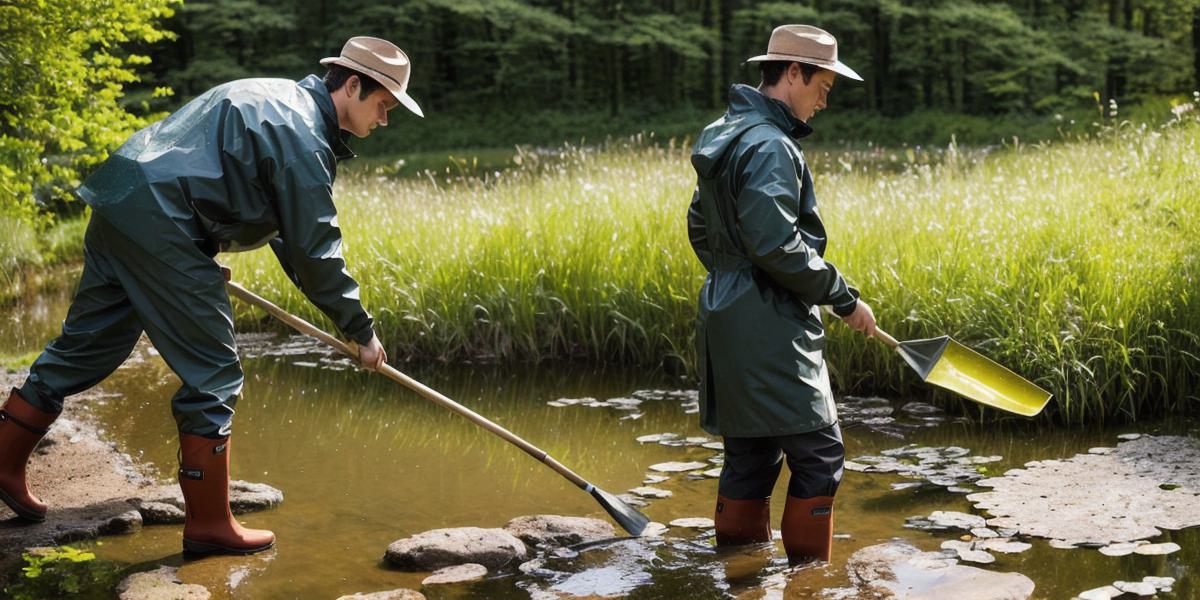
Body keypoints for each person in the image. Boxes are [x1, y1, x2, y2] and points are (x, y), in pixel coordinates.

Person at [0, 36, 421, 555]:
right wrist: (361, 331)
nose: (384, 120)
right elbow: (316, 251)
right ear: (352, 85)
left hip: (122, 197)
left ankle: (1, 462)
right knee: (215, 373)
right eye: (383, 105)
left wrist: (190, 253)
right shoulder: (304, 137)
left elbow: (284, 235)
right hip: (161, 221)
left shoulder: (275, 98)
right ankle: (209, 526)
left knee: (90, 344)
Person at [687, 24, 877, 565]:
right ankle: (808, 580)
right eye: (824, 84)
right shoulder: (771, 144)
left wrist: (732, 278)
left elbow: (700, 224)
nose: (825, 98)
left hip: (725, 314)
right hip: (770, 324)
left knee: (751, 452)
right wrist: (842, 297)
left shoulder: (726, 133)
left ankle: (739, 576)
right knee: (821, 452)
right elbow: (777, 243)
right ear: (793, 73)